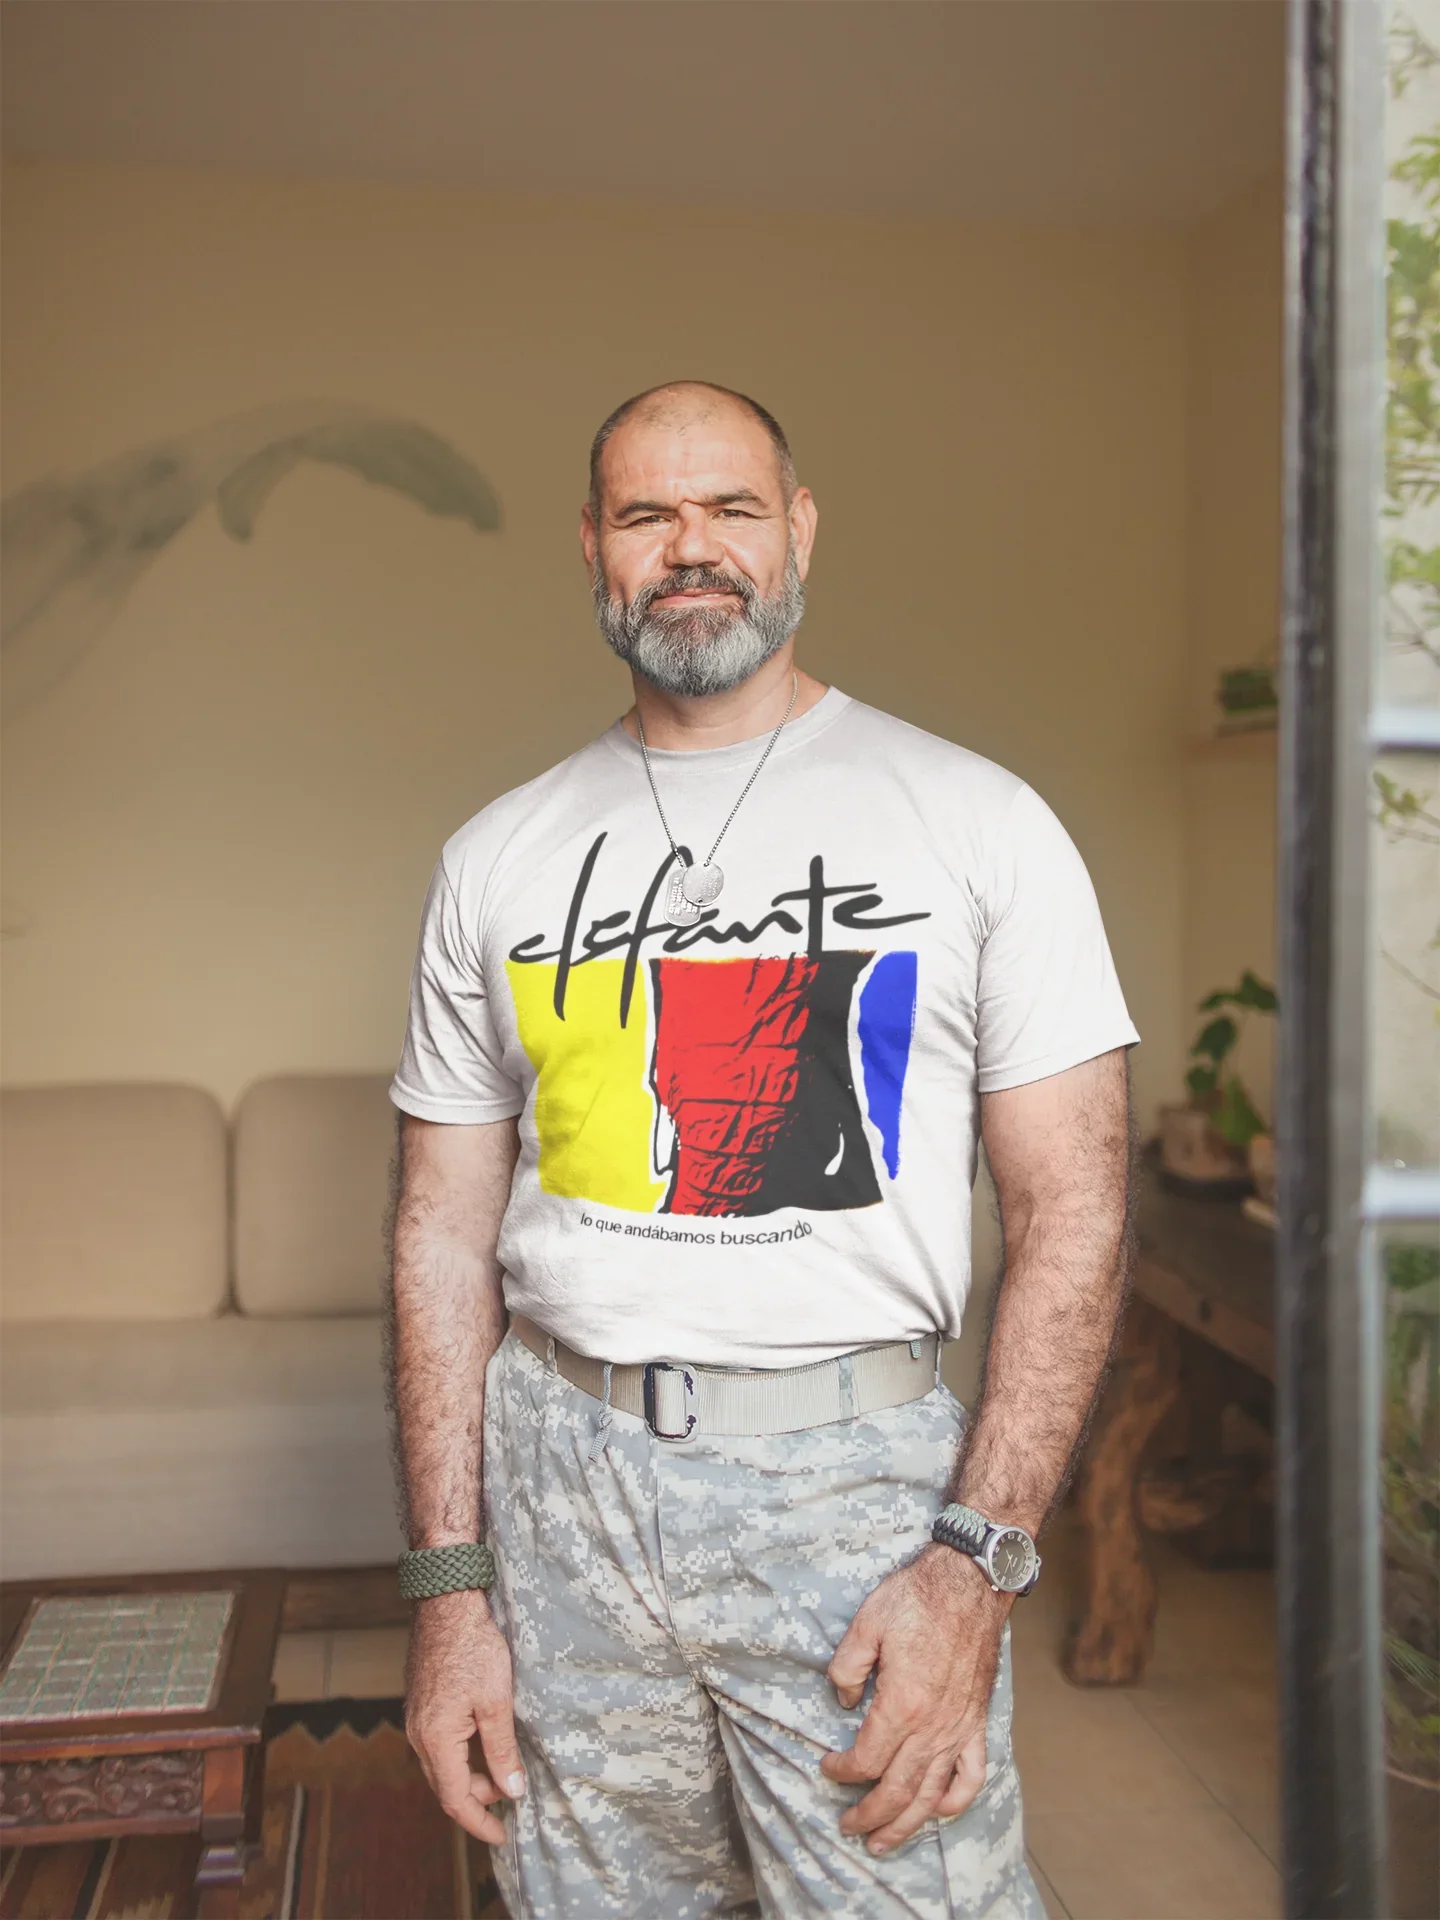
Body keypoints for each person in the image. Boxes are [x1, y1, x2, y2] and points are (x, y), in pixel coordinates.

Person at [387, 380, 1137, 1920]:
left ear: (798, 530)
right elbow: (439, 1237)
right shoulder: (497, 856)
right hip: (560, 1481)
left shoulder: (979, 822)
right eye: (647, 515)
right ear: (592, 547)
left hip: (854, 1496)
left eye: (730, 507)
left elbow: (1075, 1212)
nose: (691, 547)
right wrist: (451, 1591)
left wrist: (975, 1565)